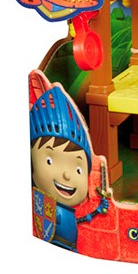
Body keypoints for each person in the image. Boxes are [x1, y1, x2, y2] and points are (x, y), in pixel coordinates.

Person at [30, 84, 108, 251]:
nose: (66, 175)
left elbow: (79, 220)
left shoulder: (63, 211)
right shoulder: (44, 207)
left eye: (78, 170)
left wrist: (97, 210)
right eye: (50, 161)